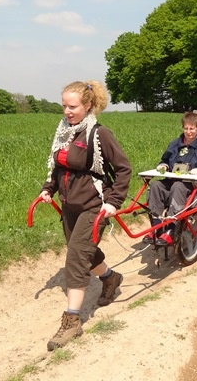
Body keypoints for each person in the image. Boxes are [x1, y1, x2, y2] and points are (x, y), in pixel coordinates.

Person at [39, 80, 132, 351]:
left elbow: (124, 168)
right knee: (83, 252)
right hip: (70, 204)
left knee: (76, 257)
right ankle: (110, 278)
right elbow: (58, 168)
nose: (67, 112)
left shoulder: (99, 134)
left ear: (88, 105)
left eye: (73, 106)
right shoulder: (64, 132)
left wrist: (113, 202)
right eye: (64, 106)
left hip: (94, 204)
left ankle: (72, 321)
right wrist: (48, 189)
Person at [146, 112, 197, 246]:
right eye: (186, 128)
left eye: (192, 129)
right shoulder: (175, 144)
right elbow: (164, 160)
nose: (188, 132)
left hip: (196, 188)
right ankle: (156, 227)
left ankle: (171, 229)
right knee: (155, 186)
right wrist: (162, 165)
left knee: (178, 187)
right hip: (173, 183)